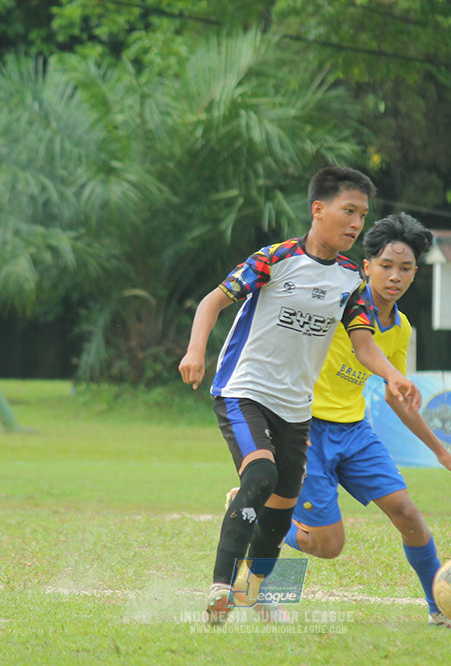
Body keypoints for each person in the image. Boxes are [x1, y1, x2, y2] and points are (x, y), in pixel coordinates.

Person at [178, 167, 421, 626]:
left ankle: (252, 595)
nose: (357, 224)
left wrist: (393, 376)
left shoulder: (351, 280)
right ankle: (220, 590)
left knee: (279, 516)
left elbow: (365, 345)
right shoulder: (276, 258)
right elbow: (213, 300)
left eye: (363, 215)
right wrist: (195, 351)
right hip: (245, 390)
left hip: (295, 410)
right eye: (349, 211)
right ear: (318, 209)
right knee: (261, 475)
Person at [280, 211, 451, 629]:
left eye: (405, 268)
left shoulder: (401, 327)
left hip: (354, 432)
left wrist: (442, 453)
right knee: (328, 544)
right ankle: (260, 519)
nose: (395, 276)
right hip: (307, 430)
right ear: (367, 266)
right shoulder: (337, 304)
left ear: (415, 274)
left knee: (407, 513)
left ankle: (441, 607)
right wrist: (285, 424)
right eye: (386, 265)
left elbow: (397, 396)